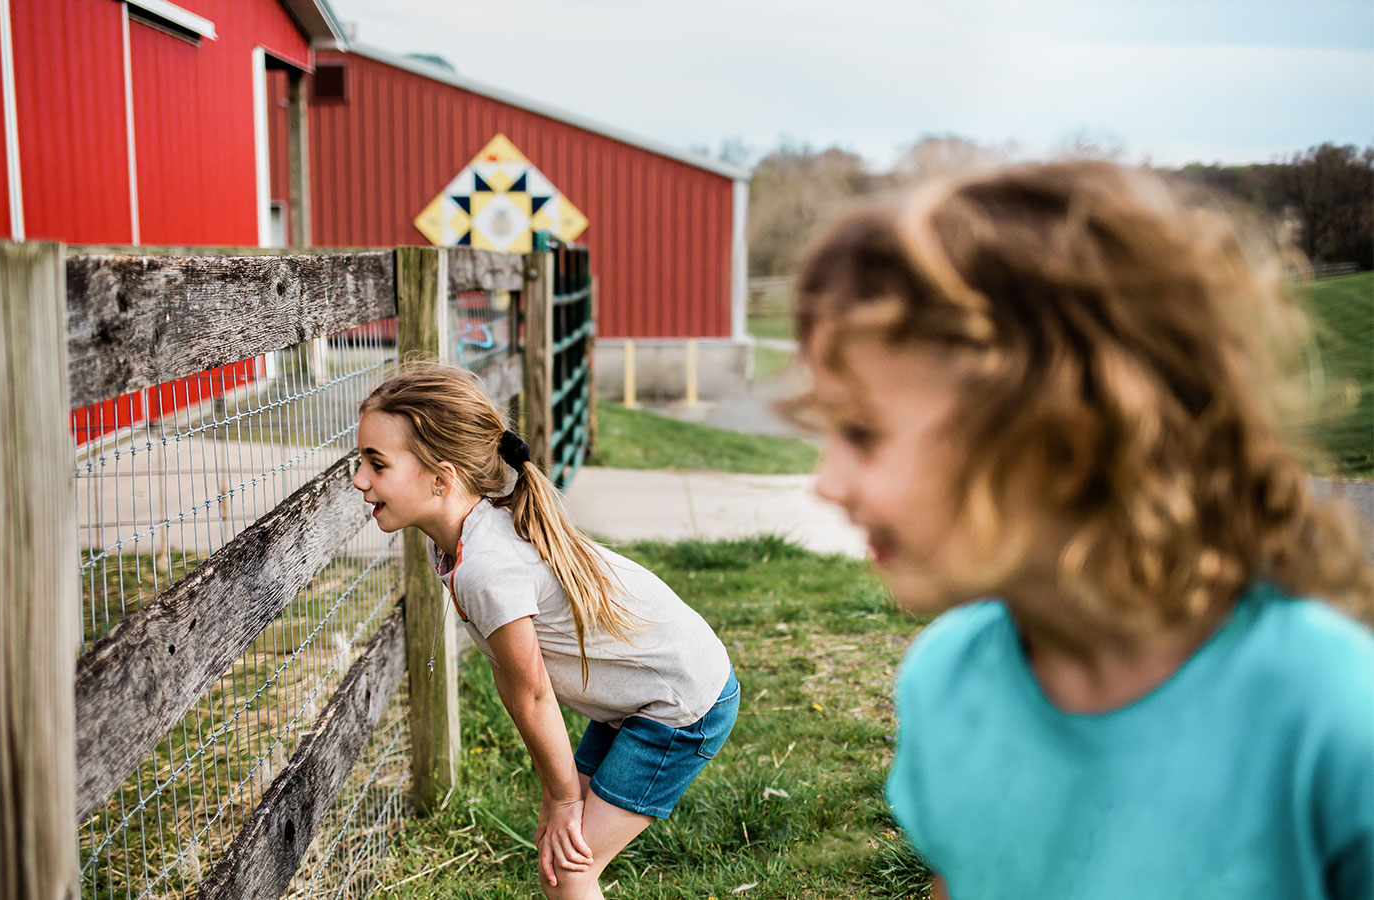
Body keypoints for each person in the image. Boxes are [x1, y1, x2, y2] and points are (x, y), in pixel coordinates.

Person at [791, 161, 1374, 899]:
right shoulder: (946, 682)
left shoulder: (1332, 713)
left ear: (1063, 447)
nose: (826, 481)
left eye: (863, 433)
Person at [351, 364, 738, 899]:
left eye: (377, 463)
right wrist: (556, 794)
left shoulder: (487, 566)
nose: (359, 478)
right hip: (645, 690)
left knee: (568, 870)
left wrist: (563, 799)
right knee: (558, 856)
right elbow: (515, 681)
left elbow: (532, 692)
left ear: (441, 479)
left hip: (681, 702)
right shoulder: (459, 540)